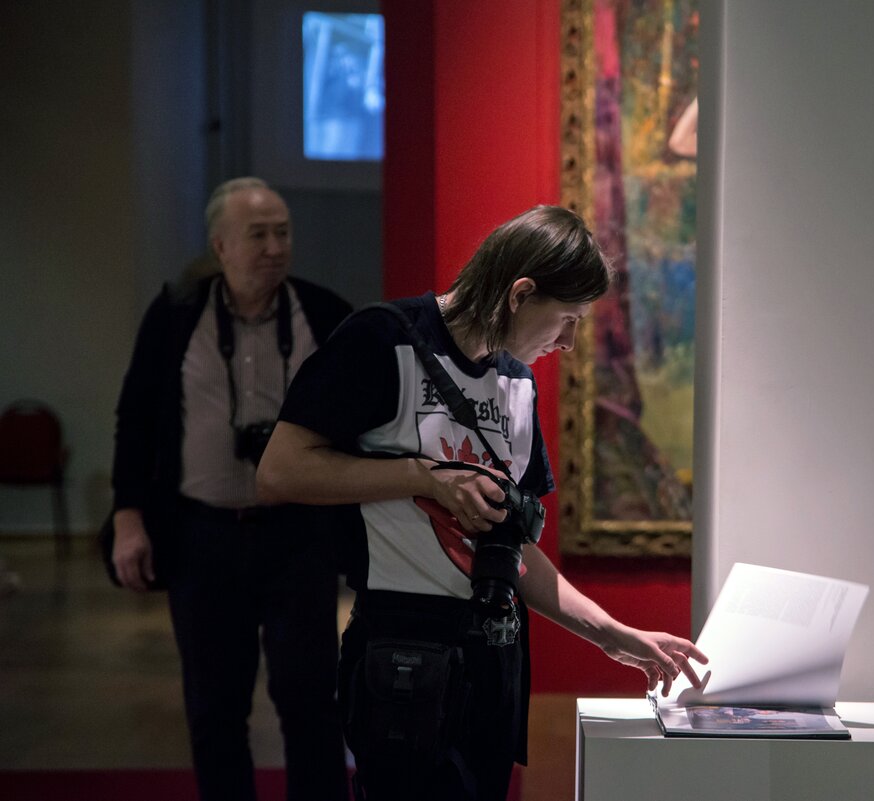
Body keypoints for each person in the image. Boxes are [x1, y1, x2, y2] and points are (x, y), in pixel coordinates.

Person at [256, 205, 707, 800]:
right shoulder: (384, 339)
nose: (569, 342)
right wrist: (425, 477)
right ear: (521, 294)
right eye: (566, 319)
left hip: (494, 655)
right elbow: (279, 471)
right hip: (401, 649)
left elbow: (511, 550)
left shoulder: (517, 381)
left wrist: (611, 634)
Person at [110, 177, 352, 801]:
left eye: (283, 233)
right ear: (220, 246)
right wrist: (129, 516)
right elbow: (136, 418)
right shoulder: (175, 315)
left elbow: (364, 422)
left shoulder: (325, 313)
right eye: (258, 235)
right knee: (214, 707)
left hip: (299, 537)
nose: (275, 247)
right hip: (203, 538)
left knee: (310, 702)